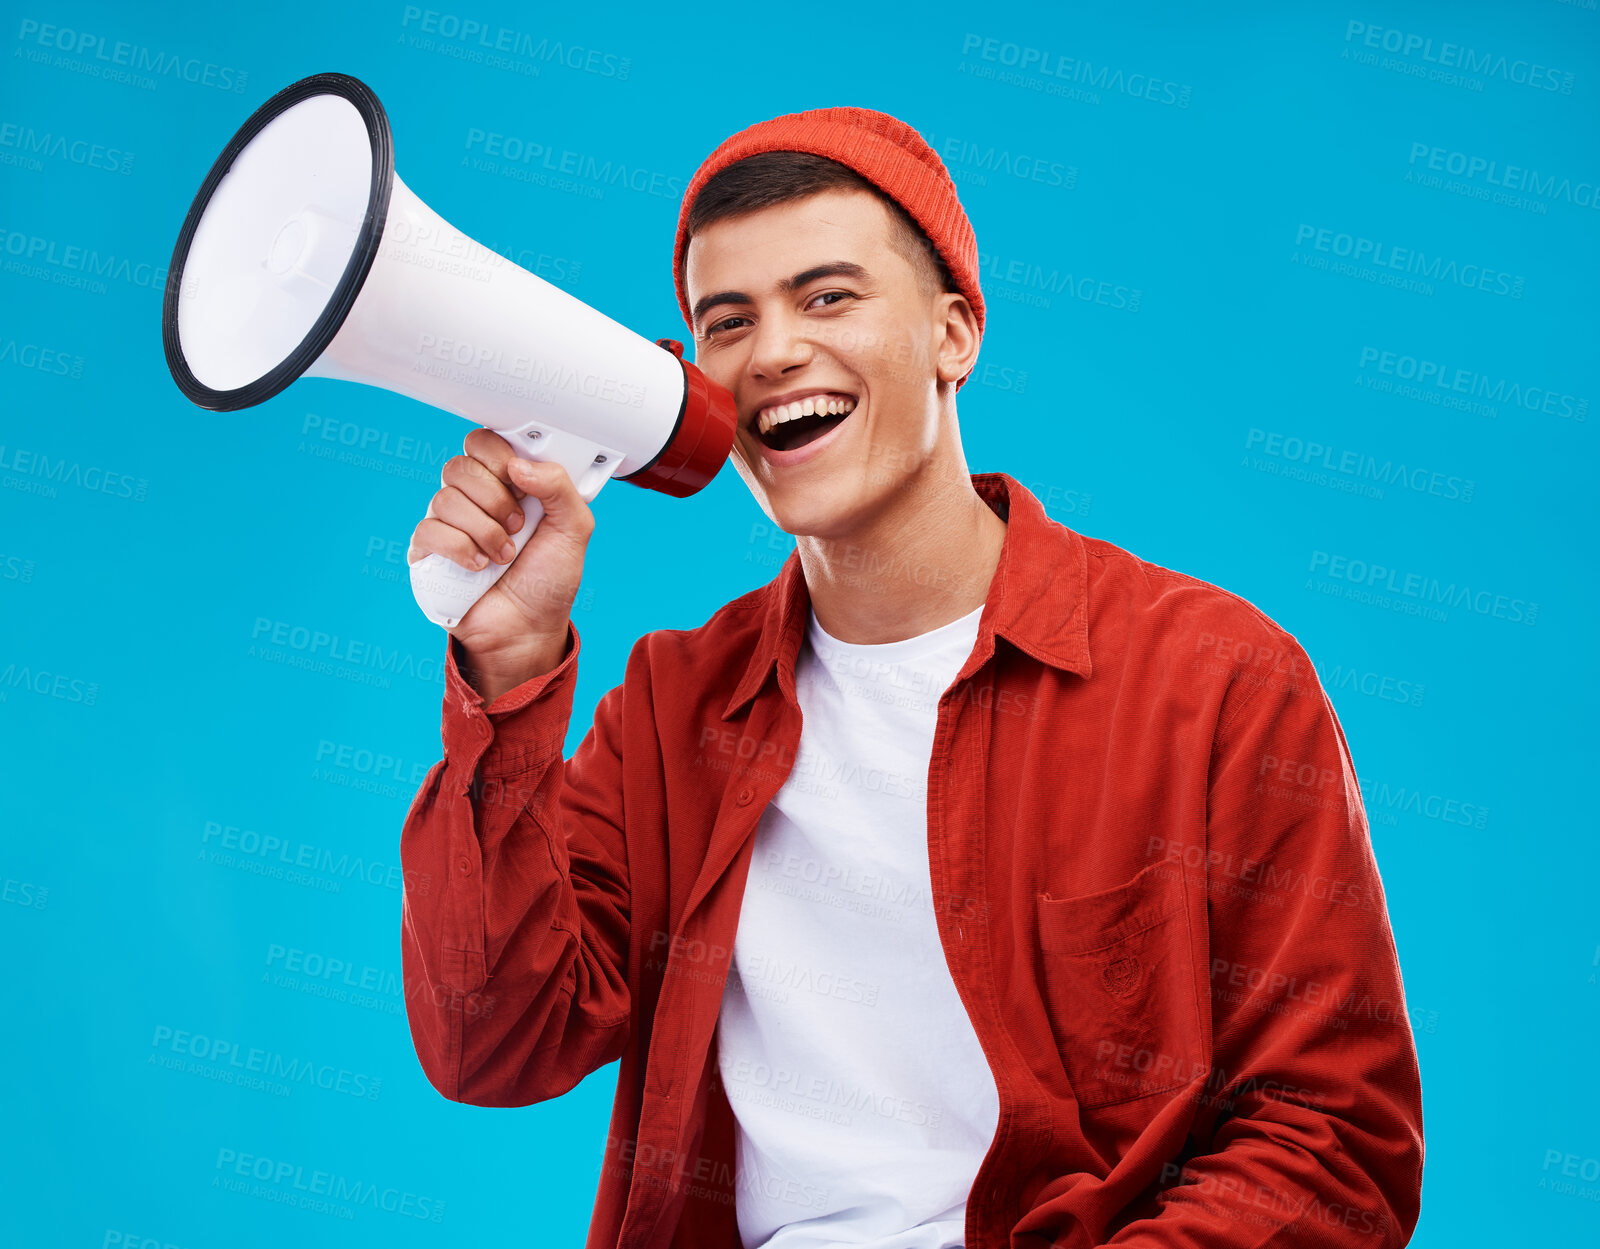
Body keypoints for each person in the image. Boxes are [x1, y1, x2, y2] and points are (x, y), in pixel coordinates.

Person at [399, 107, 1424, 1249]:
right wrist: (509, 665)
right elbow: (491, 1041)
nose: (773, 350)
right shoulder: (669, 708)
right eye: (724, 322)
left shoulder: (1215, 680)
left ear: (953, 334)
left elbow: (1331, 1140)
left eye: (827, 296)